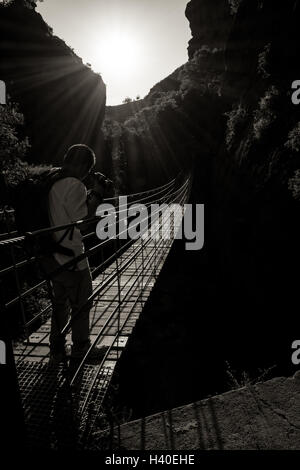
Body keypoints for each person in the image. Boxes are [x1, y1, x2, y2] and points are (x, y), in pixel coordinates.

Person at [44, 144, 107, 364]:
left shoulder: (53, 181)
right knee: (82, 304)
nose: (88, 174)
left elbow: (65, 213)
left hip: (52, 258)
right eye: (88, 169)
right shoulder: (74, 185)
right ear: (82, 165)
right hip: (73, 259)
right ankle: (81, 348)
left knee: (59, 306)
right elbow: (83, 224)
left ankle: (57, 350)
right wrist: (97, 194)